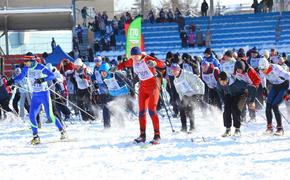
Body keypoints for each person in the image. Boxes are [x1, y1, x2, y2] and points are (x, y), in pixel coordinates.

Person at [11, 54, 66, 144]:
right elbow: (20, 78)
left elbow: (51, 75)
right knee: (32, 115)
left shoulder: (40, 67)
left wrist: (42, 79)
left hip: (44, 94)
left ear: (32, 60)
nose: (25, 63)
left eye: (26, 61)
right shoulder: (26, 68)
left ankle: (62, 130)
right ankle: (36, 137)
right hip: (35, 95)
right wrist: (12, 81)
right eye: (24, 62)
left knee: (50, 116)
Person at [117, 46, 165, 144]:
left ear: (140, 55)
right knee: (141, 112)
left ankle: (157, 135)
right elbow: (125, 64)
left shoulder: (147, 59)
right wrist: (116, 68)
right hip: (143, 87)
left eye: (136, 56)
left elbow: (162, 64)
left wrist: (154, 63)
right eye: (132, 56)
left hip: (153, 87)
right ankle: (142, 135)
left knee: (152, 110)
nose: (134, 58)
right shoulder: (133, 61)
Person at [217, 72, 256, 137]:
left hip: (241, 94)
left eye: (224, 81)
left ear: (227, 79)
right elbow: (220, 92)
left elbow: (253, 88)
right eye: (221, 81)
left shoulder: (237, 83)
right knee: (227, 109)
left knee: (235, 108)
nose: (223, 83)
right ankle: (227, 129)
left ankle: (237, 129)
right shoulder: (219, 84)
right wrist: (224, 101)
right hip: (230, 94)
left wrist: (252, 101)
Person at [258, 58, 290, 136]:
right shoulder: (261, 70)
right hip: (275, 86)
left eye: (264, 69)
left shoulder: (276, 68)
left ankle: (280, 129)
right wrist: (264, 87)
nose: (263, 71)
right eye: (261, 69)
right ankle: (269, 128)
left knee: (275, 106)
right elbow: (262, 78)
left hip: (284, 86)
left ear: (267, 66)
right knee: (268, 106)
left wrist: (289, 90)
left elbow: (289, 76)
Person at [171, 63, 205, 133]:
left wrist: (201, 93)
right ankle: (184, 127)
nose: (173, 73)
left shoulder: (187, 74)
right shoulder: (175, 80)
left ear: (179, 70)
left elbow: (200, 82)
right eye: (172, 71)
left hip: (195, 93)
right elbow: (179, 92)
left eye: (175, 71)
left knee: (190, 108)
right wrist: (181, 101)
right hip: (186, 96)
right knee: (181, 108)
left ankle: (192, 127)